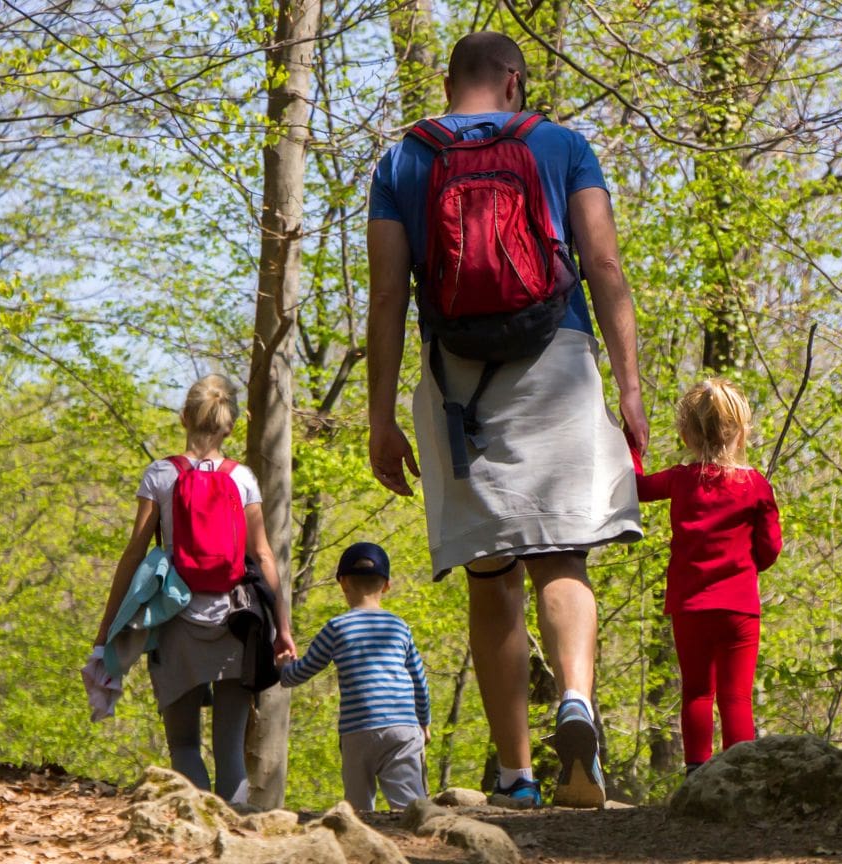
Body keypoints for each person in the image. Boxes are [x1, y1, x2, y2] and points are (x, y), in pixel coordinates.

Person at [365, 31, 646, 808]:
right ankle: (578, 706)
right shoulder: (561, 146)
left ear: (450, 82)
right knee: (564, 555)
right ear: (515, 84)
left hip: (459, 381)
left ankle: (518, 774)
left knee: (491, 575)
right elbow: (606, 268)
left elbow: (388, 297)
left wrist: (381, 415)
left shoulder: (402, 161)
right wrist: (628, 388)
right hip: (557, 358)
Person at [91, 374, 296, 803]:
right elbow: (263, 555)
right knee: (230, 752)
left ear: (183, 417)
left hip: (175, 623)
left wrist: (107, 628)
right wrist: (282, 629)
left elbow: (134, 555)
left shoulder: (161, 474)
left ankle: (199, 827)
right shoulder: (242, 478)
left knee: (184, 745)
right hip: (236, 626)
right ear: (231, 426)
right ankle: (235, 838)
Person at [634, 379, 783, 774]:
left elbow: (635, 487)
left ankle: (697, 771)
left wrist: (633, 448)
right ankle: (742, 773)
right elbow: (770, 549)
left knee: (698, 692)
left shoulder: (680, 480)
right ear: (741, 433)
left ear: (686, 434)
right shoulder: (756, 486)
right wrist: (747, 565)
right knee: (736, 697)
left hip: (691, 606)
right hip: (739, 608)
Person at [278, 542, 431, 810]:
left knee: (358, 809)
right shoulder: (399, 627)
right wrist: (424, 721)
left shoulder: (336, 627)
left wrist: (283, 668)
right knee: (411, 807)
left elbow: (303, 671)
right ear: (386, 585)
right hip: (402, 727)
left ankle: (360, 845)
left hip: (357, 730)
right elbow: (419, 679)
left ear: (343, 582)